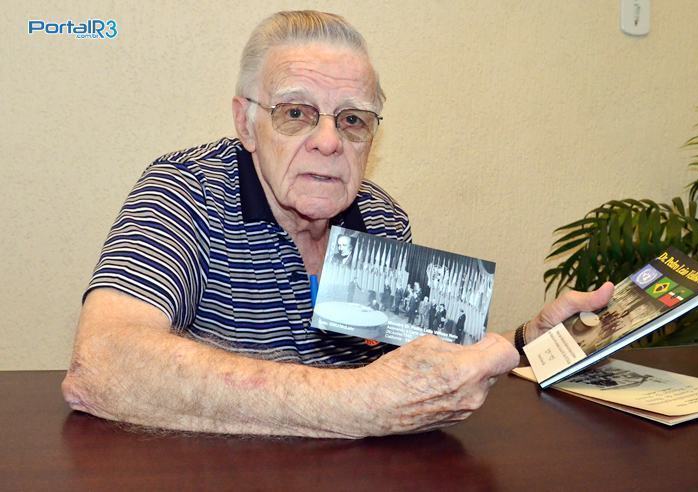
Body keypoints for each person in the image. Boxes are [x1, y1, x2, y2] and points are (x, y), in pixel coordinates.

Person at [61, 10, 613, 438]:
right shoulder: (185, 191)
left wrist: (525, 344)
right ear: (246, 123)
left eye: (352, 120)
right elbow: (103, 364)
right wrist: (362, 403)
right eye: (295, 112)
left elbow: (425, 378)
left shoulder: (380, 218)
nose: (328, 142)